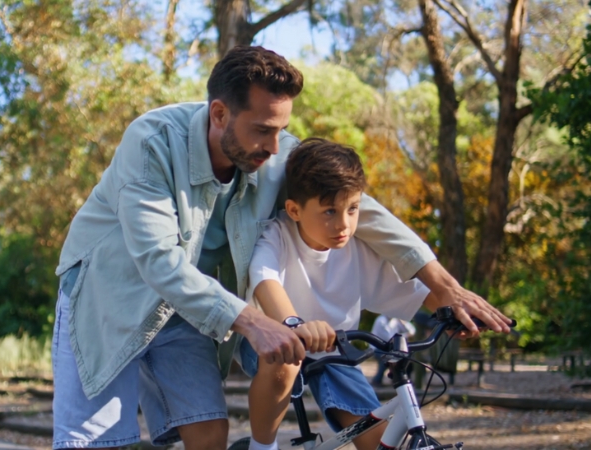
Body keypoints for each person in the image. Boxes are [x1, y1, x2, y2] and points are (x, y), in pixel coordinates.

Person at [52, 46, 511, 450]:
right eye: (263, 130)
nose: (275, 148)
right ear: (218, 115)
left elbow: (358, 207)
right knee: (94, 442)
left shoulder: (271, 149)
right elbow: (159, 261)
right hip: (106, 297)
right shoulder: (152, 142)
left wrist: (443, 284)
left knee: (209, 435)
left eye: (281, 130)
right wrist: (256, 322)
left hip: (190, 309)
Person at [239, 138, 502, 450]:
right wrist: (293, 323)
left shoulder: (358, 249)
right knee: (286, 357)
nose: (344, 224)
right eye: (329, 212)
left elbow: (412, 293)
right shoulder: (277, 235)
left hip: (335, 351)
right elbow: (264, 278)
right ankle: (261, 447)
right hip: (271, 339)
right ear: (294, 210)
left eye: (352, 209)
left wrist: (453, 314)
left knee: (378, 441)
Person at [370, 314, 416, 386]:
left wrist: (403, 323)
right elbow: (389, 338)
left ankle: (398, 380)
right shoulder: (380, 320)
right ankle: (376, 381)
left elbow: (413, 331)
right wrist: (406, 335)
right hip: (377, 348)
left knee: (406, 359)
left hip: (389, 349)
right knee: (386, 360)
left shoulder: (395, 320)